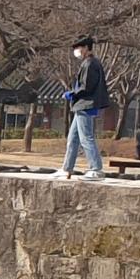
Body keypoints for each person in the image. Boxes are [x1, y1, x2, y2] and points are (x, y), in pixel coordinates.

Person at [57, 34, 110, 181]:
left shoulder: (90, 64)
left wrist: (72, 94)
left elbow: (87, 87)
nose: (77, 51)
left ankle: (96, 169)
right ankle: (67, 168)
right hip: (82, 105)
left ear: (86, 48)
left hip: (86, 104)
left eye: (78, 48)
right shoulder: (89, 63)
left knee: (86, 137)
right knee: (73, 139)